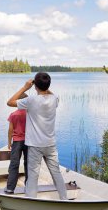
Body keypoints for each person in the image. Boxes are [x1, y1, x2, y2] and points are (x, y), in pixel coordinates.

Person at [7, 72, 67, 200]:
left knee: (33, 176)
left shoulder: (31, 100)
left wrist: (25, 87)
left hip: (35, 145)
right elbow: (48, 92)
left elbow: (9, 102)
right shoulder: (55, 98)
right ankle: (64, 198)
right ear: (48, 85)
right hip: (50, 144)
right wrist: (42, 86)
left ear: (35, 86)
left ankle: (31, 200)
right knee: (56, 173)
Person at [4, 93, 28, 194]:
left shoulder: (13, 115)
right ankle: (29, 187)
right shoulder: (30, 114)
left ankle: (10, 188)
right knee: (29, 164)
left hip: (17, 142)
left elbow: (10, 130)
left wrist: (9, 142)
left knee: (14, 164)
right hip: (29, 141)